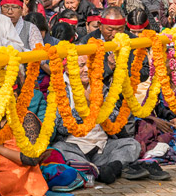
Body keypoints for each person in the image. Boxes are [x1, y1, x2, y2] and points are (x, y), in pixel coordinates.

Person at [52, 55, 153, 184]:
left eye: (89, 65)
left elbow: (115, 119)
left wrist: (98, 106)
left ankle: (104, 169)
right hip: (73, 146)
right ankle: (104, 170)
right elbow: (61, 127)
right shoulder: (59, 90)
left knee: (132, 145)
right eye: (81, 65)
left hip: (102, 147)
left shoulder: (100, 87)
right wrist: (84, 107)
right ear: (67, 69)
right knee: (58, 149)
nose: (87, 69)